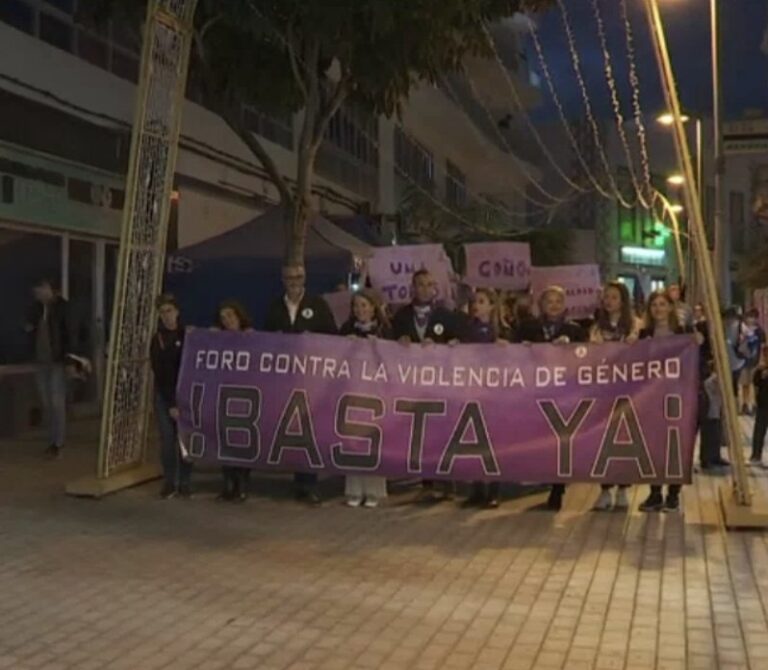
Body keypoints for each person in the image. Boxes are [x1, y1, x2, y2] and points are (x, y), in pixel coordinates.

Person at [265, 265, 337, 505]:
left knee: (309, 430)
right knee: (288, 428)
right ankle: (294, 481)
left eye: (297, 276)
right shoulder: (275, 306)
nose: (293, 281)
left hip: (311, 381)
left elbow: (332, 338)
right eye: (289, 277)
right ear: (282, 280)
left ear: (305, 278)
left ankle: (308, 484)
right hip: (283, 380)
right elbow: (263, 339)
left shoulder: (318, 305)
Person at [393, 269, 463, 503]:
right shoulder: (401, 316)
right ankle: (427, 482)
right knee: (421, 433)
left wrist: (452, 343)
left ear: (435, 288)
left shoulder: (447, 315)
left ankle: (448, 481)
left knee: (444, 431)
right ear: (413, 288)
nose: (424, 289)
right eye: (420, 285)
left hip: (441, 383)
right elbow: (388, 343)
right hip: (414, 385)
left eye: (428, 285)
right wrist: (399, 342)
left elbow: (462, 343)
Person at [516, 285, 587, 511]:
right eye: (549, 301)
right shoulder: (527, 328)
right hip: (534, 393)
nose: (554, 305)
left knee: (560, 440)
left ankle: (558, 489)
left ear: (565, 305)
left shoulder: (575, 330)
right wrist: (521, 348)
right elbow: (507, 352)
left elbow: (588, 357)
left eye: (559, 301)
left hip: (564, 394)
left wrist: (572, 348)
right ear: (541, 305)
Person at [637, 290, 703, 512]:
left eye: (662, 304)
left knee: (678, 446)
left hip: (679, 397)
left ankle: (673, 495)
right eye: (654, 305)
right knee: (654, 447)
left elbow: (699, 358)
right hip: (653, 399)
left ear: (671, 307)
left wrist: (699, 342)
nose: (658, 309)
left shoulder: (683, 332)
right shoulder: (644, 334)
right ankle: (655, 493)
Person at [590, 281, 639, 511]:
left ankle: (623, 489)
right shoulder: (596, 327)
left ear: (623, 301)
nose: (609, 301)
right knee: (603, 439)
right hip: (604, 391)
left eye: (614, 297)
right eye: (606, 297)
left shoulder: (635, 325)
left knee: (624, 438)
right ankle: (605, 489)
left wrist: (633, 343)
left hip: (628, 390)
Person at [339, 290, 390, 508]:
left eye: (364, 305)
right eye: (356, 306)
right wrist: (344, 345)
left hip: (376, 392)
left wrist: (379, 346)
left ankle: (374, 491)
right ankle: (354, 490)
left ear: (373, 307)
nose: (360, 310)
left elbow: (396, 358)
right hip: (352, 390)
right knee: (352, 439)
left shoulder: (386, 330)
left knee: (373, 440)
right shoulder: (346, 330)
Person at [461, 288, 508, 509]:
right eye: (473, 302)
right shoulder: (466, 331)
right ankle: (477, 487)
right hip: (473, 391)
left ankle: (494, 490)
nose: (476, 305)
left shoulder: (504, 331)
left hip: (496, 395)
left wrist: (511, 348)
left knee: (494, 442)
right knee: (474, 440)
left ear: (491, 305)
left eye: (481, 301)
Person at [25, 278, 74, 459]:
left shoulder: (61, 307)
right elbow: (29, 328)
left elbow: (69, 333)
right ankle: (52, 438)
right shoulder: (36, 309)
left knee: (56, 401)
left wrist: (69, 361)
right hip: (41, 361)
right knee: (47, 402)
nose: (37, 295)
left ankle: (57, 442)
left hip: (56, 361)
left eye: (40, 290)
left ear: (48, 289)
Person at [150, 294, 192, 499]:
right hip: (165, 396)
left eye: (169, 311)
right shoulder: (157, 339)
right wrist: (171, 403)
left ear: (177, 312)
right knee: (167, 440)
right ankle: (169, 481)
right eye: (162, 312)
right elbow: (160, 371)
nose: (166, 316)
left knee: (185, 441)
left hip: (185, 395)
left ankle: (185, 481)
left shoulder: (188, 336)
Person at [216, 300, 253, 502]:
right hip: (225, 395)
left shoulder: (252, 337)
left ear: (239, 316)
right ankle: (228, 483)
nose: (227, 320)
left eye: (230, 315)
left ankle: (242, 483)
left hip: (245, 397)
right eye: (223, 317)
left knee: (242, 441)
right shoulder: (218, 339)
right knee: (225, 440)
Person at [738, 309, 765, 416]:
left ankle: (754, 404)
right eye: (748, 317)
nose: (750, 319)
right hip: (744, 361)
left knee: (754, 384)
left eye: (752, 317)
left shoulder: (760, 332)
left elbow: (762, 347)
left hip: (755, 361)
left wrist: (762, 360)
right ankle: (744, 404)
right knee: (745, 383)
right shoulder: (743, 330)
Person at [700, 361, 724, 471]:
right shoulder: (711, 380)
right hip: (710, 411)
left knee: (716, 435)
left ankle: (715, 457)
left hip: (716, 411)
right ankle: (706, 459)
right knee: (709, 436)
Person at [751, 346, 768, 465]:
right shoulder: (759, 371)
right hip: (763, 405)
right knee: (759, 431)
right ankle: (756, 456)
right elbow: (755, 387)